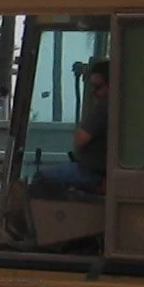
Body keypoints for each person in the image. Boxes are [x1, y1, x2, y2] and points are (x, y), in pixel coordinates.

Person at [35, 58, 111, 192]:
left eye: (98, 87)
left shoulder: (104, 109)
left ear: (112, 85)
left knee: (41, 178)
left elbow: (80, 140)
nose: (93, 91)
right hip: (99, 172)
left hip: (94, 174)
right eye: (91, 86)